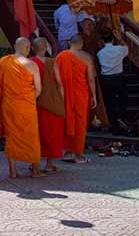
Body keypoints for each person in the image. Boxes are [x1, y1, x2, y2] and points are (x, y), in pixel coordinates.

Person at [0, 38, 43, 178]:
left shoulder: (4, 62)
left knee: (11, 137)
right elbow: (39, 89)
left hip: (9, 105)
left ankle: (12, 171)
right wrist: (28, 99)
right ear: (28, 48)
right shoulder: (31, 64)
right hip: (27, 105)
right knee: (31, 136)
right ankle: (35, 170)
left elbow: (0, 83)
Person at [56, 34, 96, 164]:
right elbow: (90, 79)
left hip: (64, 94)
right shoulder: (86, 57)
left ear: (69, 43)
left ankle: (67, 152)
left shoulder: (60, 56)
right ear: (81, 44)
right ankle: (78, 155)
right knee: (80, 122)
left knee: (67, 120)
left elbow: (55, 77)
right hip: (81, 94)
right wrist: (94, 95)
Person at [30, 38, 65, 173]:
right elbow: (59, 83)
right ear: (46, 47)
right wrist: (61, 100)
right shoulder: (52, 62)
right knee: (52, 132)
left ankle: (35, 164)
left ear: (32, 48)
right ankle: (49, 164)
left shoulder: (31, 62)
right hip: (51, 102)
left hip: (36, 101)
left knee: (37, 133)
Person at [97, 31, 130, 134]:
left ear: (102, 41)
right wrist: (120, 39)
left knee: (109, 103)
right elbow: (127, 48)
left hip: (106, 78)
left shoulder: (100, 53)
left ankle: (114, 126)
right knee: (123, 99)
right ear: (113, 39)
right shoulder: (119, 49)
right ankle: (121, 116)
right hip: (118, 77)